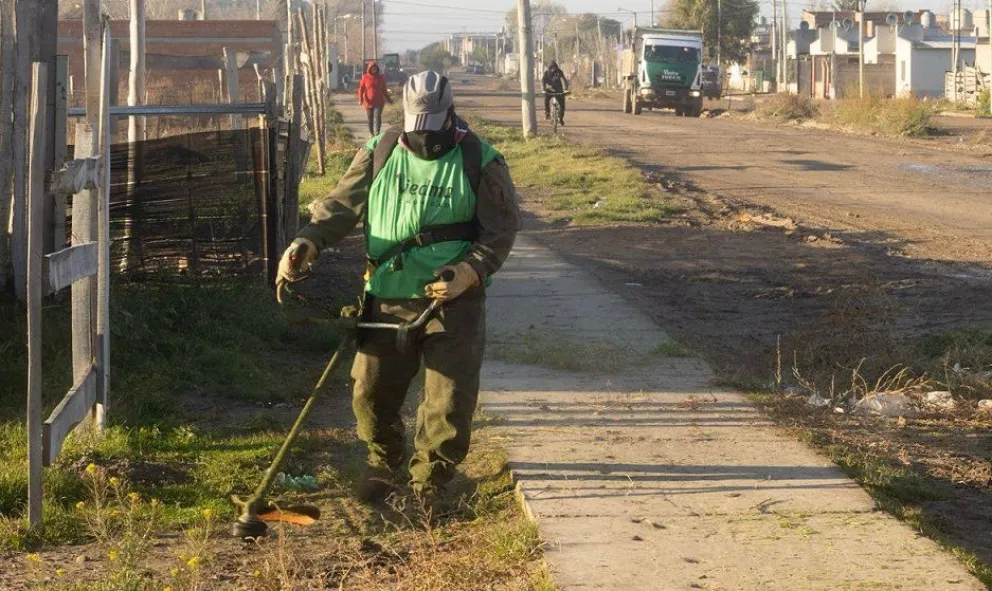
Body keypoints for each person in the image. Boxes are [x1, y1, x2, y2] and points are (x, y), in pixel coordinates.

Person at [277, 71, 520, 506]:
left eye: (431, 125)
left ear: (449, 114)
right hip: (386, 294)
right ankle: (385, 462)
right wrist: (308, 240)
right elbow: (341, 205)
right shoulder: (381, 149)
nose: (422, 134)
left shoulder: (481, 160)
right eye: (415, 124)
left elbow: (500, 231)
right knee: (370, 393)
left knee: (447, 401)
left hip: (452, 302)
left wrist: (468, 271)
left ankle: (431, 484)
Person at [358, 61, 391, 136]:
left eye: (375, 68)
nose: (374, 70)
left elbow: (384, 90)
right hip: (368, 102)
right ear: (369, 69)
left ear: (377, 69)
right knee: (370, 118)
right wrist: (360, 99)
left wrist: (389, 99)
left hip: (379, 102)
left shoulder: (380, 78)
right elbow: (361, 89)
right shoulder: (365, 77)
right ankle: (371, 133)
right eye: (372, 68)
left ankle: (377, 132)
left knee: (377, 116)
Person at [542, 61, 569, 125]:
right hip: (549, 89)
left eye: (554, 67)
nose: (553, 69)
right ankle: (547, 113)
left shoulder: (559, 72)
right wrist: (543, 89)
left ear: (556, 67)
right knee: (546, 98)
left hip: (559, 90)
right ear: (549, 67)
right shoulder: (546, 73)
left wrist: (565, 89)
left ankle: (560, 118)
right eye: (552, 67)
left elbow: (563, 80)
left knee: (562, 104)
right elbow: (543, 81)